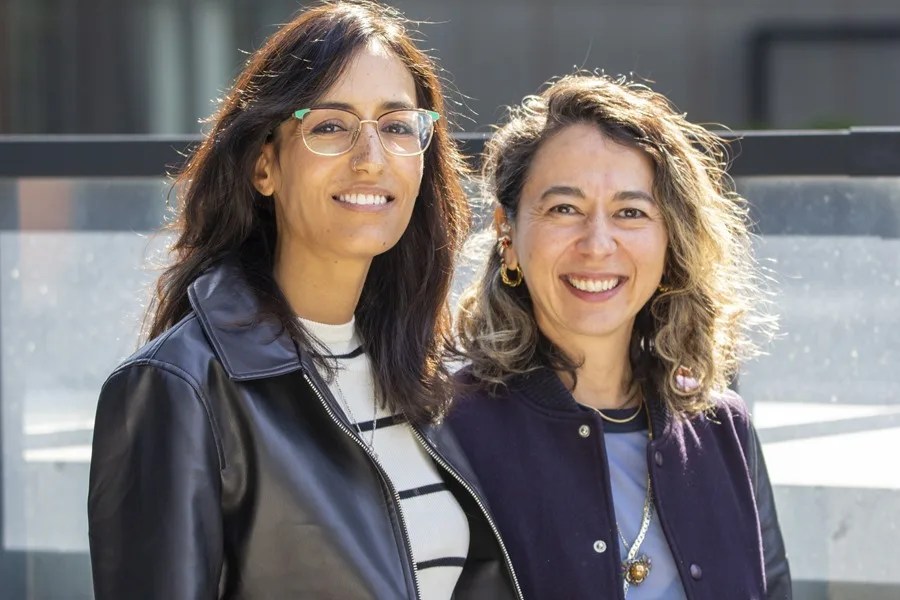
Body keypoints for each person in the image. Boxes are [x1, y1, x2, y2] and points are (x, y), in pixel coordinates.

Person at [87, 2, 521, 598]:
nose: (371, 159)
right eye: (331, 126)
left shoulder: (425, 374)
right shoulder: (179, 387)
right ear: (264, 165)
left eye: (396, 125)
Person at [447, 74, 792, 599]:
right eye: (565, 208)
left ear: (670, 242)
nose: (598, 243)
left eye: (631, 212)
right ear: (507, 234)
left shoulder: (723, 427)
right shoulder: (451, 431)